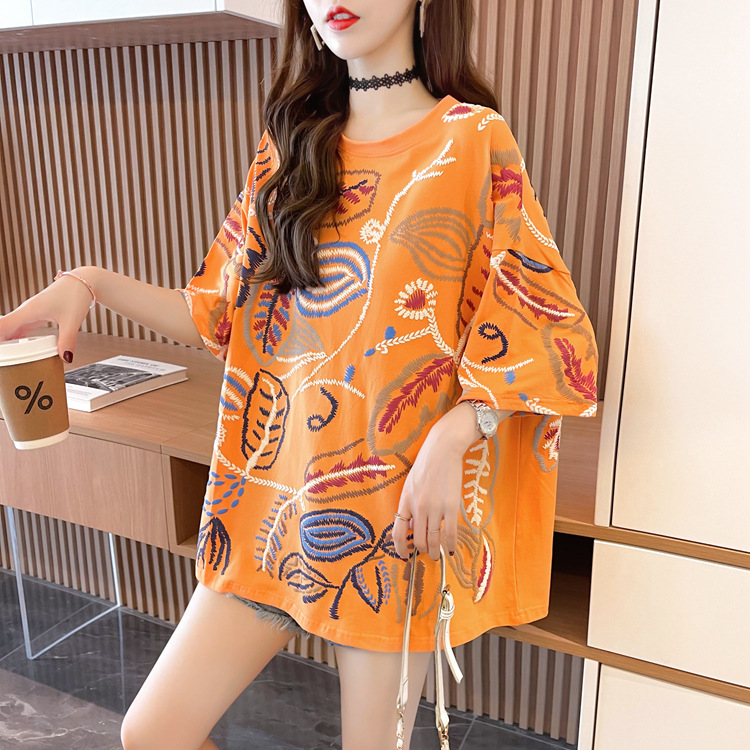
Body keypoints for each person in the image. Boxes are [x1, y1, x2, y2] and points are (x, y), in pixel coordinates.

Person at [0, 1, 599, 748]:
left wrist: (457, 432)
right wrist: (87, 283)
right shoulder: (288, 149)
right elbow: (215, 312)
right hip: (268, 506)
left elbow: (549, 329)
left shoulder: (472, 140)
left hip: (391, 523)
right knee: (150, 734)